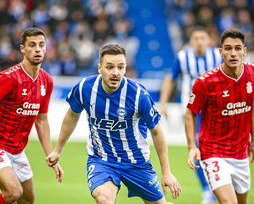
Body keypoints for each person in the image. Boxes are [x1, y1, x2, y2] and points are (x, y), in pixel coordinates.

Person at [46, 44, 181, 204]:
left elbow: (156, 131)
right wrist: (58, 150)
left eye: (120, 67)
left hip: (136, 162)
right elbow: (71, 116)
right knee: (103, 199)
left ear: (125, 69)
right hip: (102, 159)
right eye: (109, 67)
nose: (115, 72)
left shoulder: (138, 94)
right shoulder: (85, 88)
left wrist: (166, 172)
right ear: (99, 68)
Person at [185, 28, 254, 204]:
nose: (233, 53)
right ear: (220, 52)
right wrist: (192, 146)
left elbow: (251, 107)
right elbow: (190, 113)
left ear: (245, 52)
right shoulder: (205, 82)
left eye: (238, 48)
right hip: (213, 152)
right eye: (228, 48)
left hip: (240, 153)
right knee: (228, 202)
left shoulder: (252, 74)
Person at [0, 27, 64, 204]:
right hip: (0, 146)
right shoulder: (8, 78)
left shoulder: (47, 80)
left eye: (41, 45)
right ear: (23, 49)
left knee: (28, 199)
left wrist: (51, 155)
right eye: (32, 45)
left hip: (18, 150)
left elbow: (41, 120)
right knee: (13, 192)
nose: (37, 49)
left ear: (46, 48)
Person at [159, 26, 222, 204]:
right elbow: (170, 78)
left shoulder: (217, 56)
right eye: (196, 38)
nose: (200, 41)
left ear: (208, 40)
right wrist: (163, 103)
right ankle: (207, 190)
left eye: (203, 38)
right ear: (191, 40)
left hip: (215, 110)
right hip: (192, 113)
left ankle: (217, 185)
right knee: (197, 149)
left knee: (214, 150)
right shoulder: (182, 57)